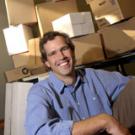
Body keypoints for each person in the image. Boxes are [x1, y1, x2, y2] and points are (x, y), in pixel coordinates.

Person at [25, 31, 132, 135]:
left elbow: (130, 84)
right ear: (47, 63)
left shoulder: (93, 76)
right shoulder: (40, 91)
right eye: (53, 53)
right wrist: (103, 121)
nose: (61, 56)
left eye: (64, 49)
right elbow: (38, 131)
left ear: (73, 52)